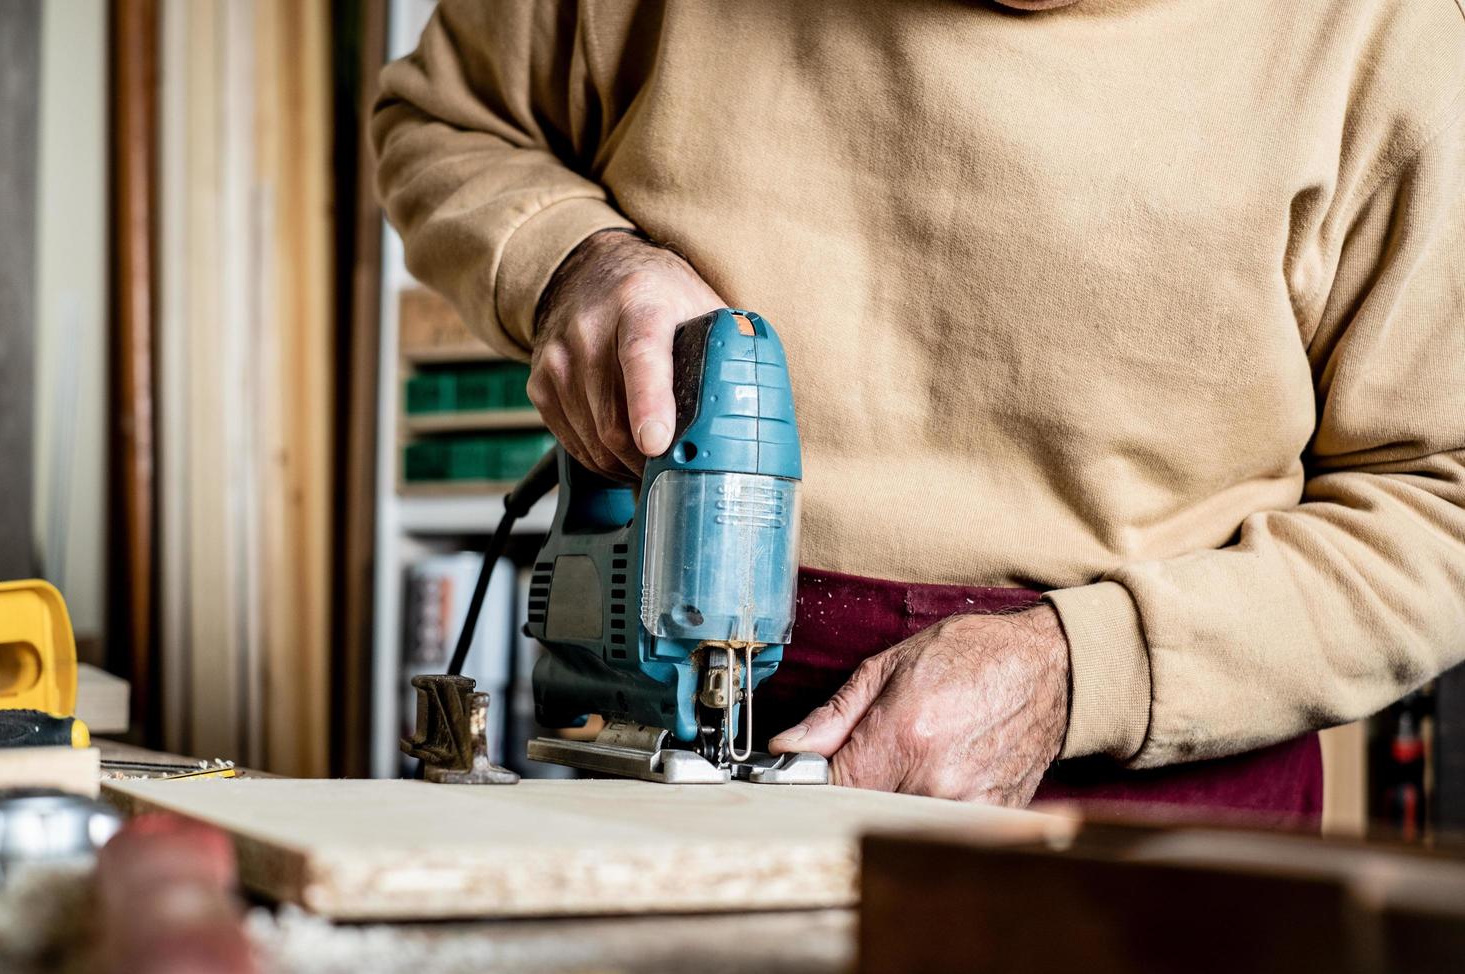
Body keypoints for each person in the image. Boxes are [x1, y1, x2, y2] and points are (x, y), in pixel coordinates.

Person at [373, 0, 1465, 823]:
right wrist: (577, 259)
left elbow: (1442, 505)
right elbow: (443, 118)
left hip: (1152, 807)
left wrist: (1083, 670)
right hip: (662, 739)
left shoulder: (1393, 36)